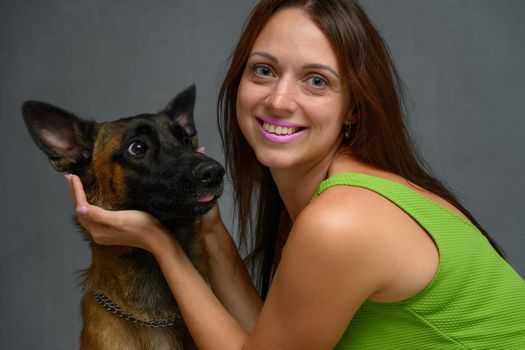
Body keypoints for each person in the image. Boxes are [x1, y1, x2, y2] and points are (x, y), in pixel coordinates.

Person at [66, 0, 525, 348]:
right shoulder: (354, 190)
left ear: (354, 108)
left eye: (316, 80)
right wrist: (210, 228)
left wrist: (161, 243)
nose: (280, 100)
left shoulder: (340, 221)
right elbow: (266, 339)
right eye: (264, 70)